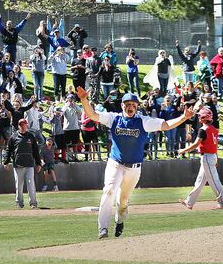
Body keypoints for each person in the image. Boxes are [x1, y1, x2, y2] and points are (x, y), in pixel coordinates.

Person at [77, 87, 193, 239]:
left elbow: (166, 125)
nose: (130, 107)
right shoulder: (114, 119)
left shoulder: (143, 121)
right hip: (116, 163)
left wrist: (184, 117)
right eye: (127, 104)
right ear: (122, 105)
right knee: (109, 190)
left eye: (133, 104)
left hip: (134, 169)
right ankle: (103, 229)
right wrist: (84, 100)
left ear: (137, 107)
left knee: (123, 200)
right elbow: (92, 114)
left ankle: (119, 221)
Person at [178, 106, 223, 210]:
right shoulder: (214, 129)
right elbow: (214, 144)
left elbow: (196, 144)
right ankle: (189, 202)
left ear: (204, 118)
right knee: (200, 181)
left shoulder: (203, 129)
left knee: (214, 181)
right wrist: (216, 157)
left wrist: (183, 150)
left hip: (207, 157)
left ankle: (222, 203)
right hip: (211, 156)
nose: (199, 118)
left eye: (200, 116)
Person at [2, 118, 42, 209]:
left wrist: (39, 163)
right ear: (18, 126)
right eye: (20, 125)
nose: (22, 126)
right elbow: (8, 150)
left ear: (27, 125)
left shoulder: (31, 136)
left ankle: (33, 203)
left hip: (29, 164)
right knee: (18, 185)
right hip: (18, 164)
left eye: (24, 124)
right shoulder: (13, 137)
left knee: (31, 184)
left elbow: (36, 151)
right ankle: (19, 203)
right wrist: (6, 162)